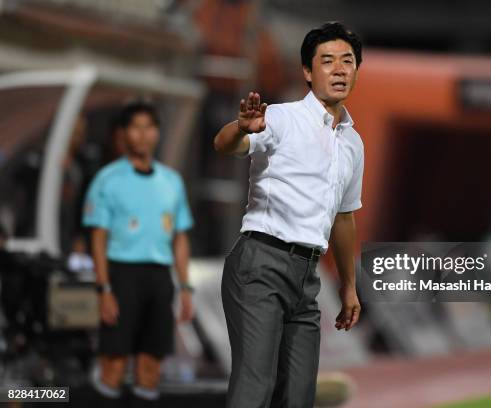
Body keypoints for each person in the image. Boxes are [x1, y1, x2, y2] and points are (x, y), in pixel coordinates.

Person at [213, 22, 364, 408]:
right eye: (327, 61)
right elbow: (226, 145)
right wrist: (238, 127)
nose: (340, 69)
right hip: (260, 264)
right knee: (255, 387)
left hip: (307, 278)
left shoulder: (352, 143)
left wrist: (348, 285)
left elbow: (344, 217)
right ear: (308, 73)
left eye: (348, 61)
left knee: (298, 397)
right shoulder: (281, 117)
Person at [82, 101, 195, 407]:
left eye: (149, 127)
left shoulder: (171, 181)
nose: (143, 135)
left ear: (158, 132)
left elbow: (180, 238)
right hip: (121, 275)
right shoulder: (108, 179)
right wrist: (103, 288)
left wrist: (185, 287)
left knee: (150, 366)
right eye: (136, 127)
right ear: (124, 133)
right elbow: (98, 238)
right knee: (114, 364)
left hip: (159, 278)